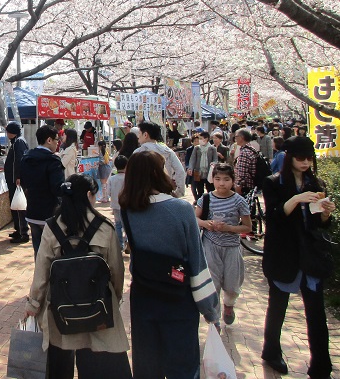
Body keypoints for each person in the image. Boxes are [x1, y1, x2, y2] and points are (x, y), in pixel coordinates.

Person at [120, 150, 217, 378]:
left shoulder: (129, 210)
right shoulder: (181, 210)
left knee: (147, 363)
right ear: (156, 173)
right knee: (182, 364)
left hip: (143, 295)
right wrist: (210, 309)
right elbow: (197, 262)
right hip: (177, 296)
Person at [25, 174, 132, 379]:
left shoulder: (52, 227)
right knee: (96, 361)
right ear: (89, 196)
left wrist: (33, 305)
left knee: (59, 361)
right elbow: (117, 272)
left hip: (61, 309)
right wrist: (114, 300)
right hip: (97, 306)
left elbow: (41, 273)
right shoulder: (104, 227)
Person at [261, 136, 335, 378]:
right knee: (278, 307)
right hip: (283, 254)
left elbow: (318, 224)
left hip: (310, 255)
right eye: (300, 158)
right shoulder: (273, 182)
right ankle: (271, 352)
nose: (305, 163)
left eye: (309, 158)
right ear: (290, 157)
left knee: (316, 312)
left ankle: (321, 365)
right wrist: (296, 199)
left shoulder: (316, 182)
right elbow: (272, 216)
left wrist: (325, 214)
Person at [195, 163, 252, 330]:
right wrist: (206, 223)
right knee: (213, 284)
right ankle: (215, 320)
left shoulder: (239, 201)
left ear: (232, 181)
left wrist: (229, 229)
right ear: (212, 180)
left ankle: (229, 305)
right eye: (218, 179)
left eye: (226, 179)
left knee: (232, 286)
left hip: (232, 247)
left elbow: (247, 227)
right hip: (210, 245)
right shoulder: (205, 199)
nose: (222, 183)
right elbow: (195, 219)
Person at [21, 125, 65, 256]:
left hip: (32, 211)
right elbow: (58, 188)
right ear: (49, 140)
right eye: (57, 139)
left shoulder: (26, 158)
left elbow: (23, 182)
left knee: (38, 252)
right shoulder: (53, 160)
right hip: (50, 212)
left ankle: (40, 275)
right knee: (54, 253)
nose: (58, 143)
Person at [133, 121, 187, 198]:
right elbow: (180, 171)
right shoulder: (167, 151)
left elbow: (132, 174)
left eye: (139, 133)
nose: (138, 136)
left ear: (145, 135)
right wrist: (179, 192)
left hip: (143, 194)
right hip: (165, 192)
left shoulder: (138, 152)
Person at [4, 122, 30, 244]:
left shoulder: (19, 142)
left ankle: (23, 232)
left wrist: (19, 177)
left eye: (8, 131)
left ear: (12, 132)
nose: (7, 133)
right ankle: (18, 229)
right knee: (15, 205)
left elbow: (20, 160)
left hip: (17, 181)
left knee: (19, 207)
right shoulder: (17, 142)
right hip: (13, 179)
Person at [105, 155, 128, 252]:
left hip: (115, 204)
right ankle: (127, 242)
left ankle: (120, 244)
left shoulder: (112, 178)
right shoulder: (127, 178)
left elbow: (108, 192)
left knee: (118, 224)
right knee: (127, 224)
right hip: (126, 205)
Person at [188, 131, 217, 203]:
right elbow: (193, 159)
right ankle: (200, 202)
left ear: (206, 139)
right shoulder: (197, 148)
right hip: (198, 171)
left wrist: (214, 164)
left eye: (201, 138)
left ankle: (211, 201)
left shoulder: (212, 148)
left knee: (210, 187)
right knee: (199, 188)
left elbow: (215, 159)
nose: (199, 140)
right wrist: (190, 168)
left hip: (208, 172)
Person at [233, 129, 257, 196]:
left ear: (242, 137)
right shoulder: (251, 149)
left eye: (236, 137)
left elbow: (242, 174)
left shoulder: (244, 152)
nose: (235, 139)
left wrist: (238, 186)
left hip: (244, 188)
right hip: (251, 186)